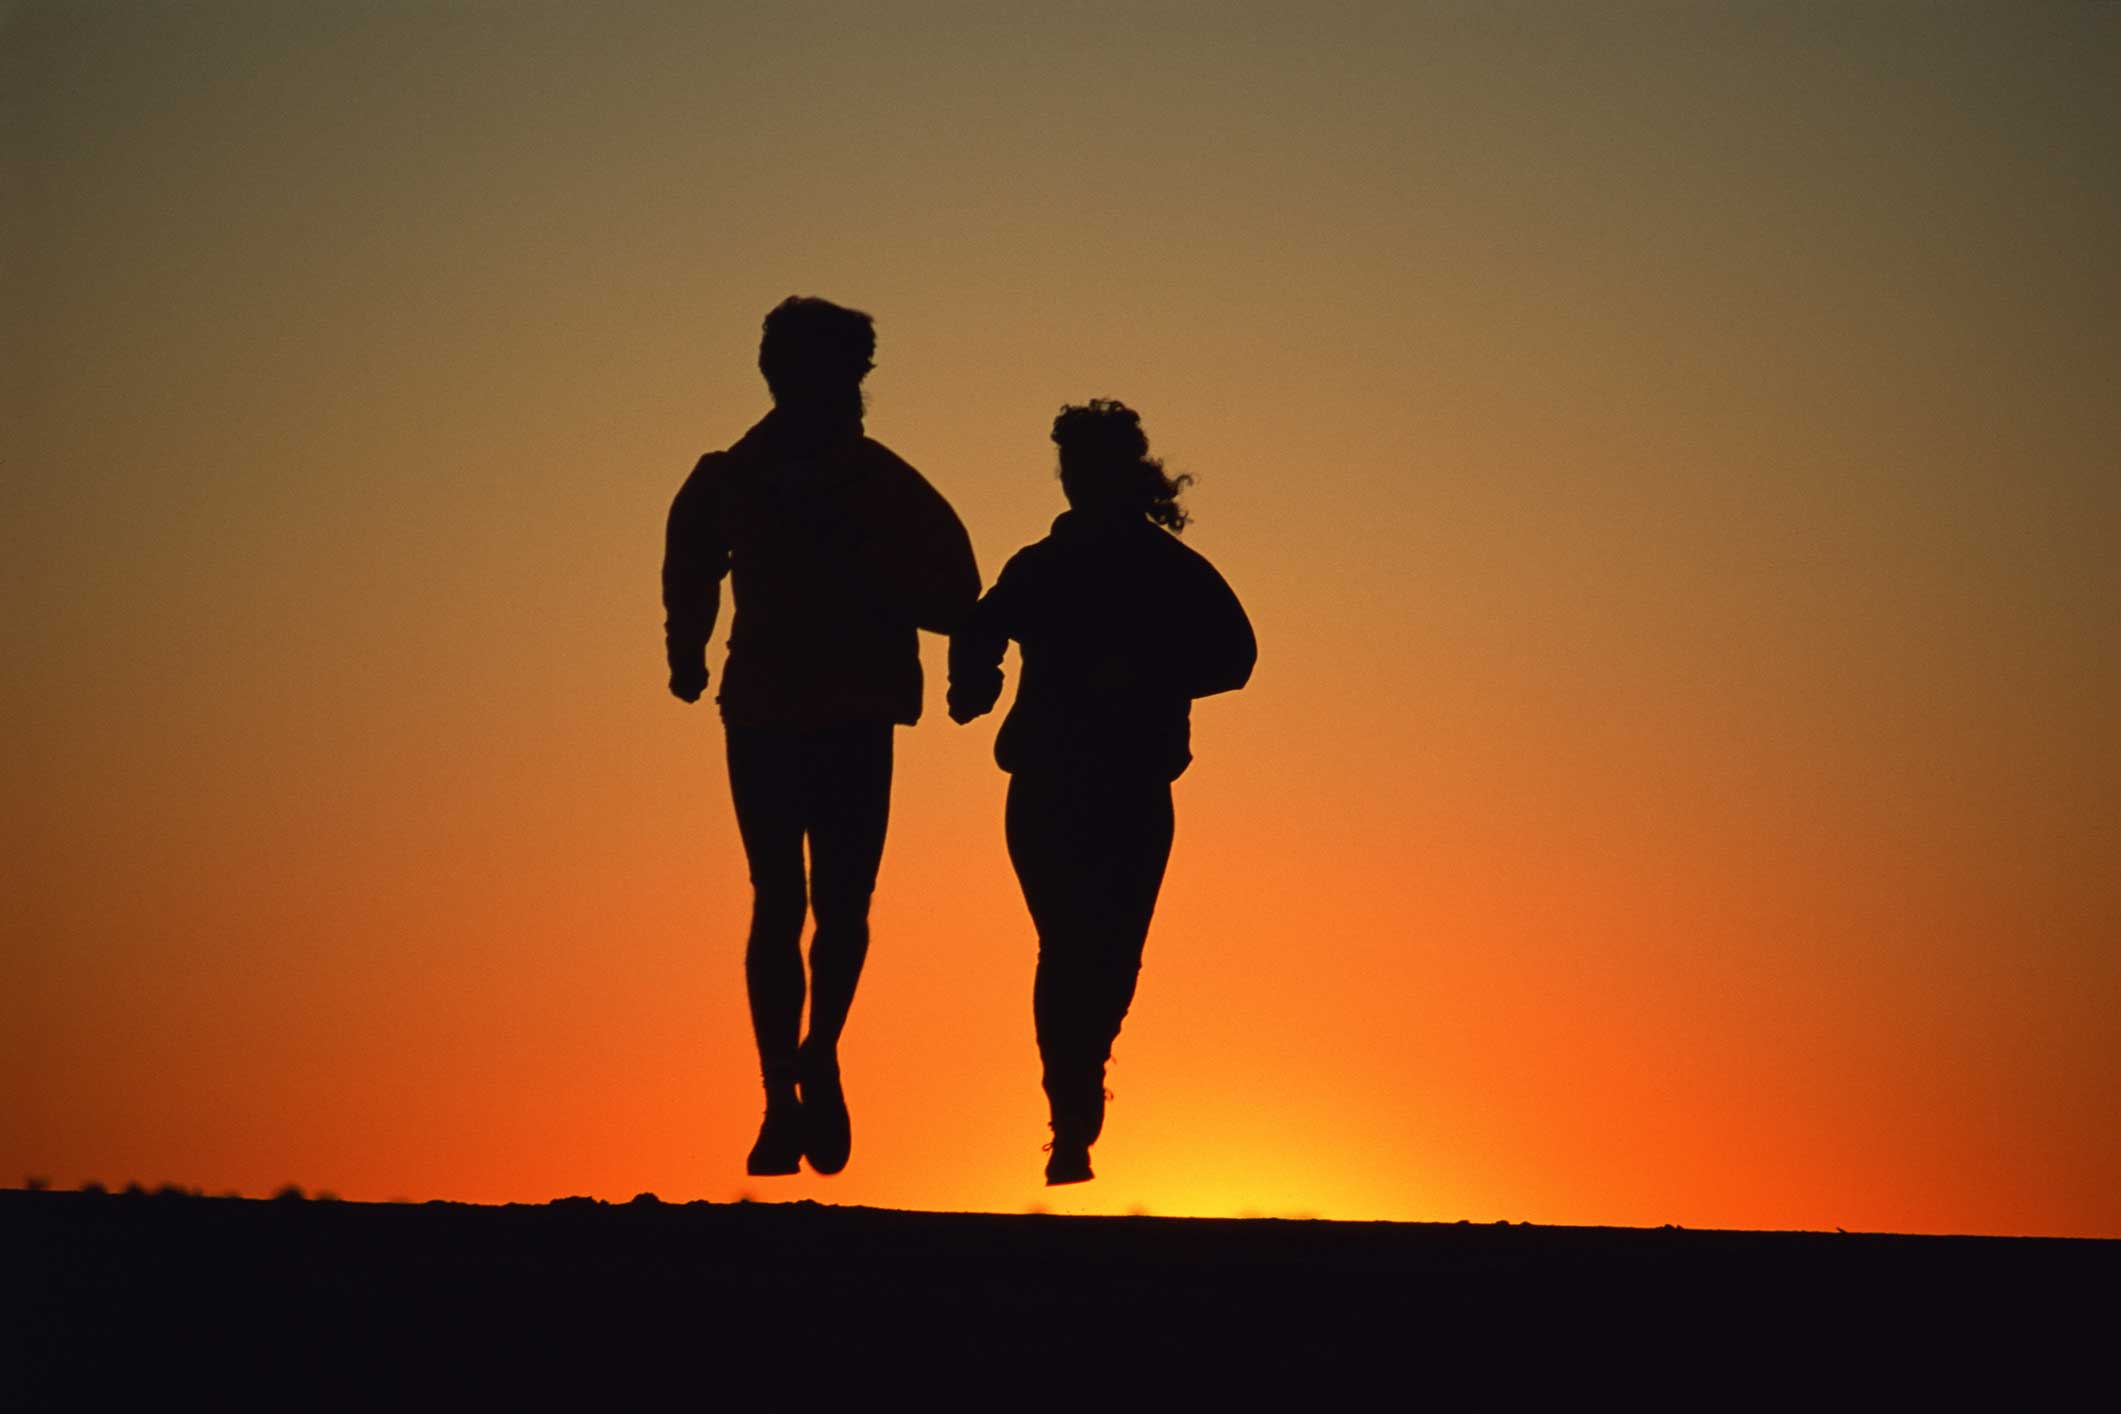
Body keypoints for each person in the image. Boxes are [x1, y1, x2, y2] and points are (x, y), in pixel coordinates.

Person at [664, 296, 980, 1177]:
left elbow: (956, 583)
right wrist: (684, 649)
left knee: (826, 903)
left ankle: (814, 1060)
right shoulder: (743, 474)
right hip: (783, 708)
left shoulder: (867, 479)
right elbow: (690, 561)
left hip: (841, 707)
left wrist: (967, 663)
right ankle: (783, 1088)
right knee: (790, 900)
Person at [948, 400, 1255, 1185]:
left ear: (1126, 473)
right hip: (1050, 781)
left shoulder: (1168, 570)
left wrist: (1144, 676)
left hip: (1130, 783)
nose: (1077, 479)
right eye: (1070, 465)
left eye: (1090, 464)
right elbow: (982, 625)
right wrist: (972, 678)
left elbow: (1236, 656)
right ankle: (1070, 1111)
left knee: (1111, 952)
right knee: (1069, 946)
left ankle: (1079, 1085)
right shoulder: (1040, 565)